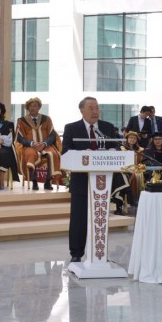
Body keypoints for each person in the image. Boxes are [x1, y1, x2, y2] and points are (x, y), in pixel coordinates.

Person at [61, 97, 118, 263]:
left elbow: (115, 146)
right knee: (78, 218)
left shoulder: (107, 127)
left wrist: (113, 151)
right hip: (81, 180)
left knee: (100, 218)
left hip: (103, 183)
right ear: (82, 110)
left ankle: (100, 254)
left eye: (97, 108)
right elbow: (65, 152)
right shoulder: (71, 128)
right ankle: (76, 253)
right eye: (91, 108)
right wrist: (83, 154)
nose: (95, 111)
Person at [15, 97, 62, 190]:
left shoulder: (46, 119)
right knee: (30, 154)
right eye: (30, 106)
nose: (32, 108)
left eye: (35, 106)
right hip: (30, 146)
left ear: (39, 107)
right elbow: (19, 137)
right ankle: (34, 181)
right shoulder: (21, 120)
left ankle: (48, 181)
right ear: (27, 108)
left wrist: (44, 144)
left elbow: (52, 135)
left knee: (52, 154)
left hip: (45, 145)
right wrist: (32, 143)